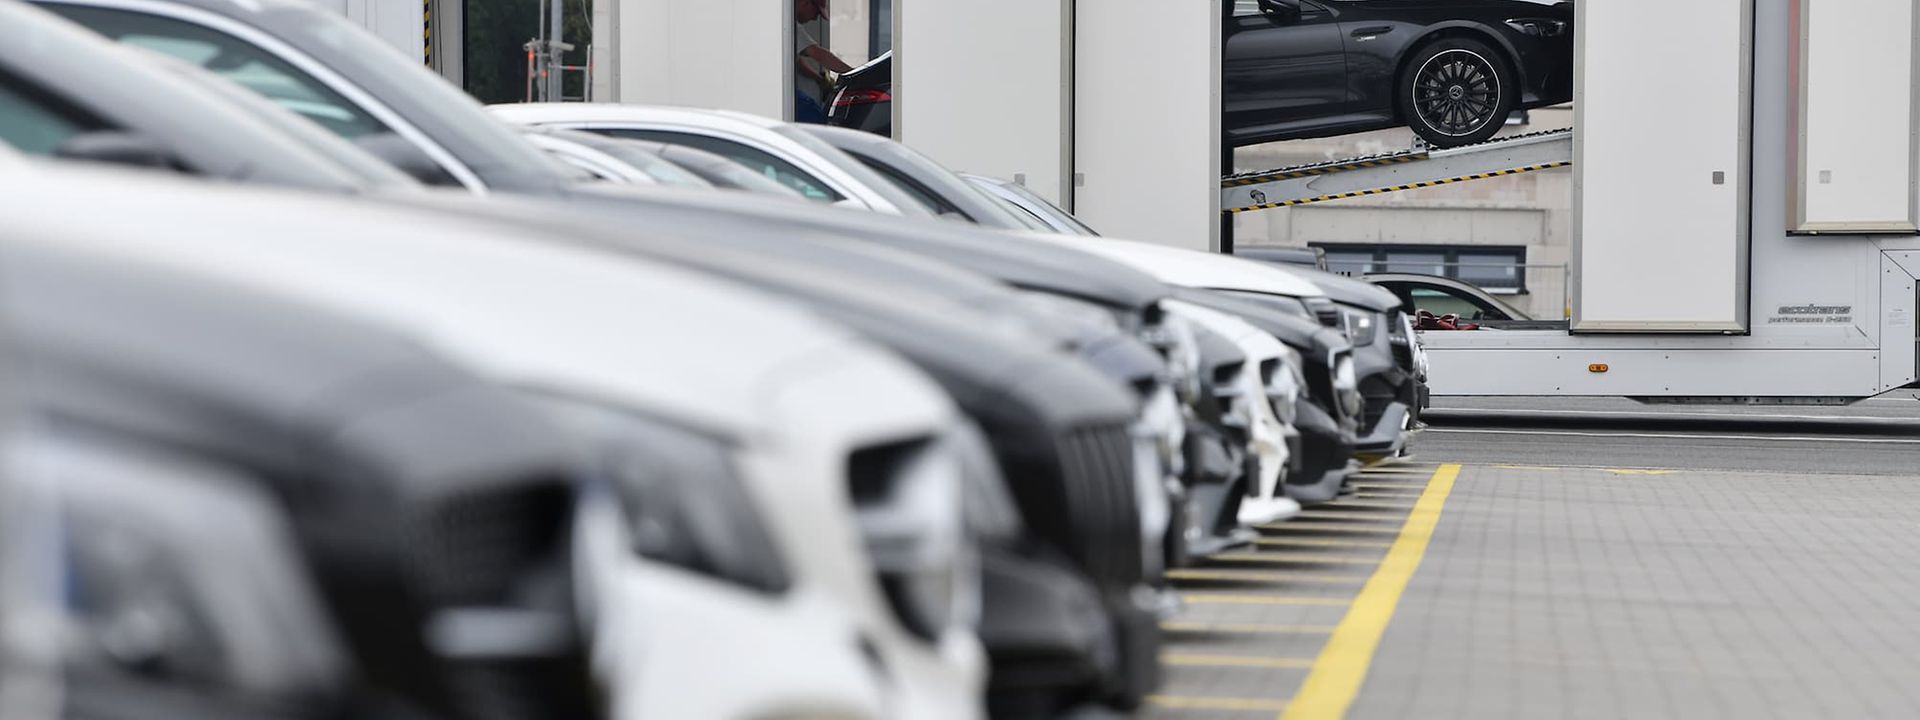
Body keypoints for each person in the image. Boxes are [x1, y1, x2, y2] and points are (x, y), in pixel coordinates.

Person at [794, 0, 853, 123]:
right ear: (806, 3)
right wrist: (855, 75)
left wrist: (819, 79)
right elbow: (818, 54)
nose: (815, 18)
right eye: (816, 12)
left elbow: (796, 61)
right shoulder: (789, 27)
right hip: (776, 91)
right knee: (814, 117)